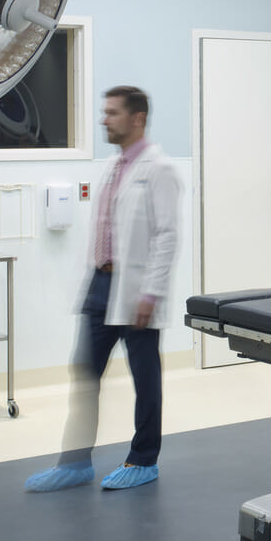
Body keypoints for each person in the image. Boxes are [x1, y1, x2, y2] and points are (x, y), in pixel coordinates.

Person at [26, 85, 181, 492]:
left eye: (112, 113)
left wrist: (151, 293)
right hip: (100, 283)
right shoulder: (113, 167)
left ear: (137, 118)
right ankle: (74, 463)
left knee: (144, 376)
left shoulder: (159, 168)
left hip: (135, 290)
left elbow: (167, 236)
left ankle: (144, 459)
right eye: (104, 112)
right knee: (85, 373)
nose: (103, 119)